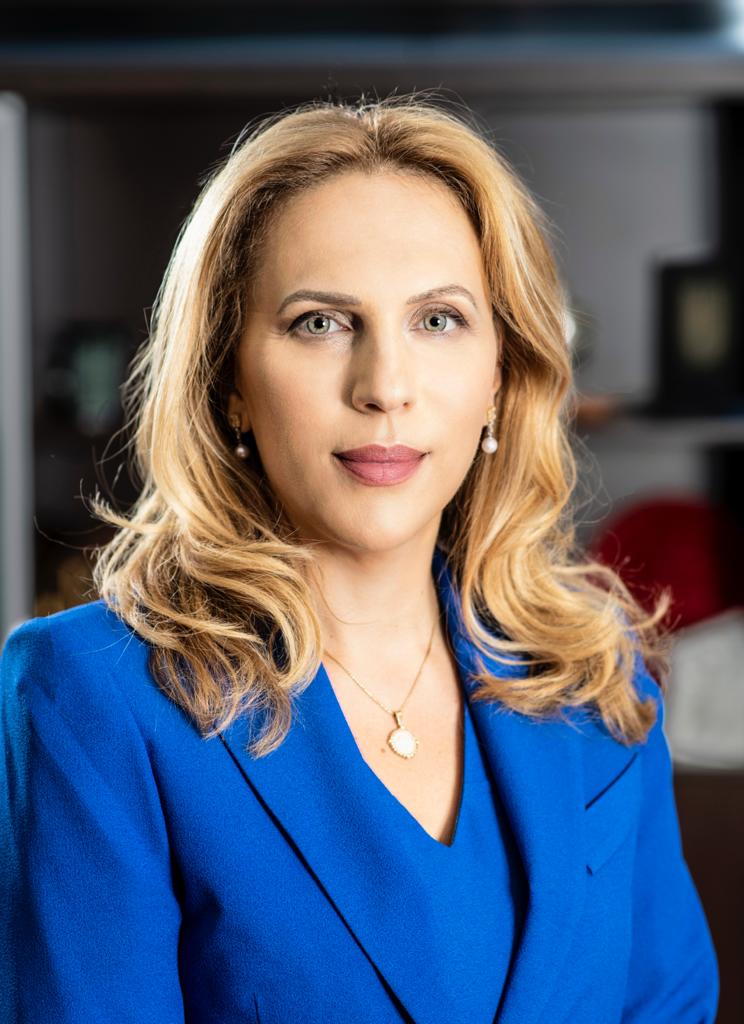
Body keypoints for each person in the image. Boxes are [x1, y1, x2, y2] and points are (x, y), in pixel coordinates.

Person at [0, 92, 719, 1024]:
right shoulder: (92, 696)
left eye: (438, 320)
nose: (385, 387)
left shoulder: (596, 668)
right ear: (228, 381)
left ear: (500, 375)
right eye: (321, 322)